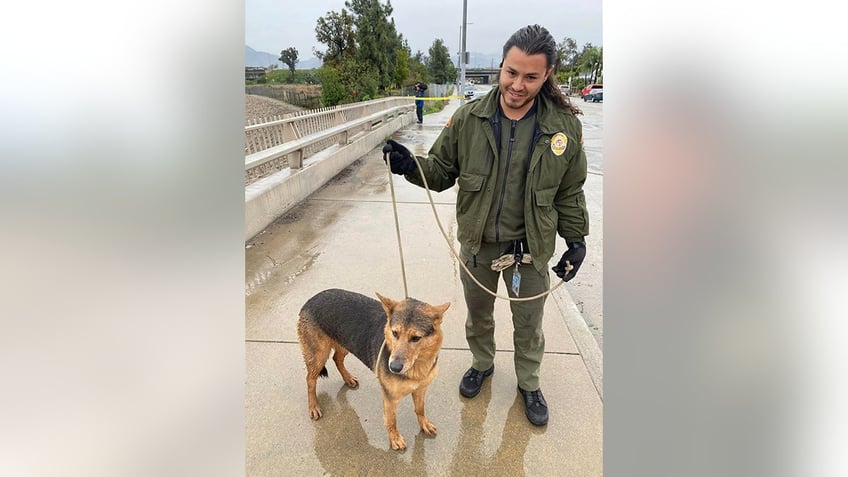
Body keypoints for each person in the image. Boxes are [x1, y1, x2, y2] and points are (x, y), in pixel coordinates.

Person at [383, 24, 588, 426]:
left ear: (547, 76)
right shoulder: (469, 118)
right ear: (501, 66)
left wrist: (576, 240)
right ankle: (482, 364)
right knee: (479, 318)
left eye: (531, 77)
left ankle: (529, 382)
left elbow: (570, 190)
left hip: (530, 251)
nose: (518, 84)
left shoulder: (564, 127)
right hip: (478, 246)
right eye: (512, 72)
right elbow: (440, 171)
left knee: (529, 325)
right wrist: (411, 166)